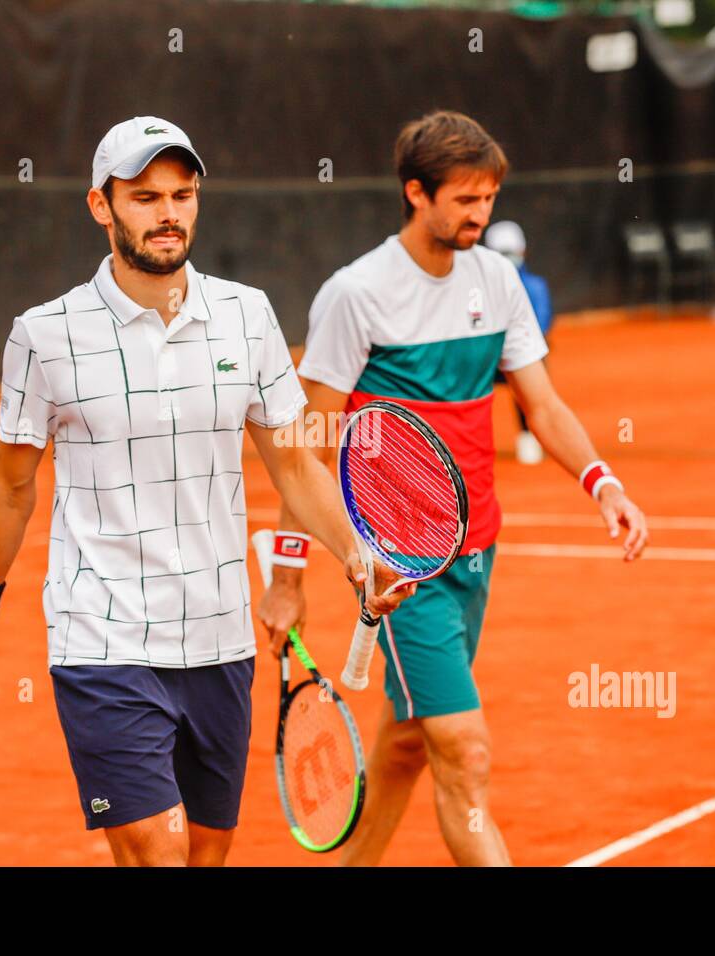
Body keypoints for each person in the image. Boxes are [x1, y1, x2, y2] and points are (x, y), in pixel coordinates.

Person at [0, 116, 409, 867]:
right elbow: (7, 490)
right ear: (101, 206)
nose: (168, 213)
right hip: (103, 638)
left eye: (183, 195)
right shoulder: (45, 335)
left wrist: (357, 553)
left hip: (220, 639)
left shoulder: (246, 315)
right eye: (146, 196)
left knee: (207, 855)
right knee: (160, 849)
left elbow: (293, 462)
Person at [258, 111, 649, 866]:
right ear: (416, 193)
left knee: (409, 742)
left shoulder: (498, 280)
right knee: (464, 751)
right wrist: (287, 580)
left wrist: (605, 484)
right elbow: (308, 446)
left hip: (477, 549)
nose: (481, 215)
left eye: (489, 199)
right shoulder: (356, 294)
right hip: (400, 568)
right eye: (465, 200)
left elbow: (542, 401)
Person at [484, 219, 552, 464]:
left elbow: (542, 323)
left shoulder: (535, 286)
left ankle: (529, 437)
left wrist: (513, 346)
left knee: (531, 383)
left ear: (522, 251)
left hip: (519, 354)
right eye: (502, 253)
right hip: (487, 358)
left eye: (511, 252)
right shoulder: (478, 288)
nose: (508, 258)